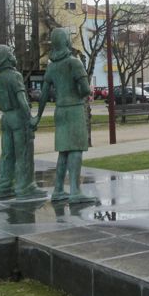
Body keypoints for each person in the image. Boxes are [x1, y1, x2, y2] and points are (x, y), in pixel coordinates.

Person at [31, 28, 95, 203]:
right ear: (67, 42)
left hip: (59, 111)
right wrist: (83, 91)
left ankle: (58, 189)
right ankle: (75, 190)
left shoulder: (52, 67)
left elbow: (43, 94)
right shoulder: (74, 63)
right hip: (74, 109)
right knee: (75, 150)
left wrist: (37, 116)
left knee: (63, 151)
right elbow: (85, 89)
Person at [0, 44, 45, 200]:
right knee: (24, 154)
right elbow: (21, 99)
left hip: (5, 118)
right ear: (7, 58)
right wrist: (30, 118)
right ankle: (25, 187)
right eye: (11, 53)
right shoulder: (15, 76)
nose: (14, 56)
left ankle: (3, 185)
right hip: (18, 118)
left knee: (7, 154)